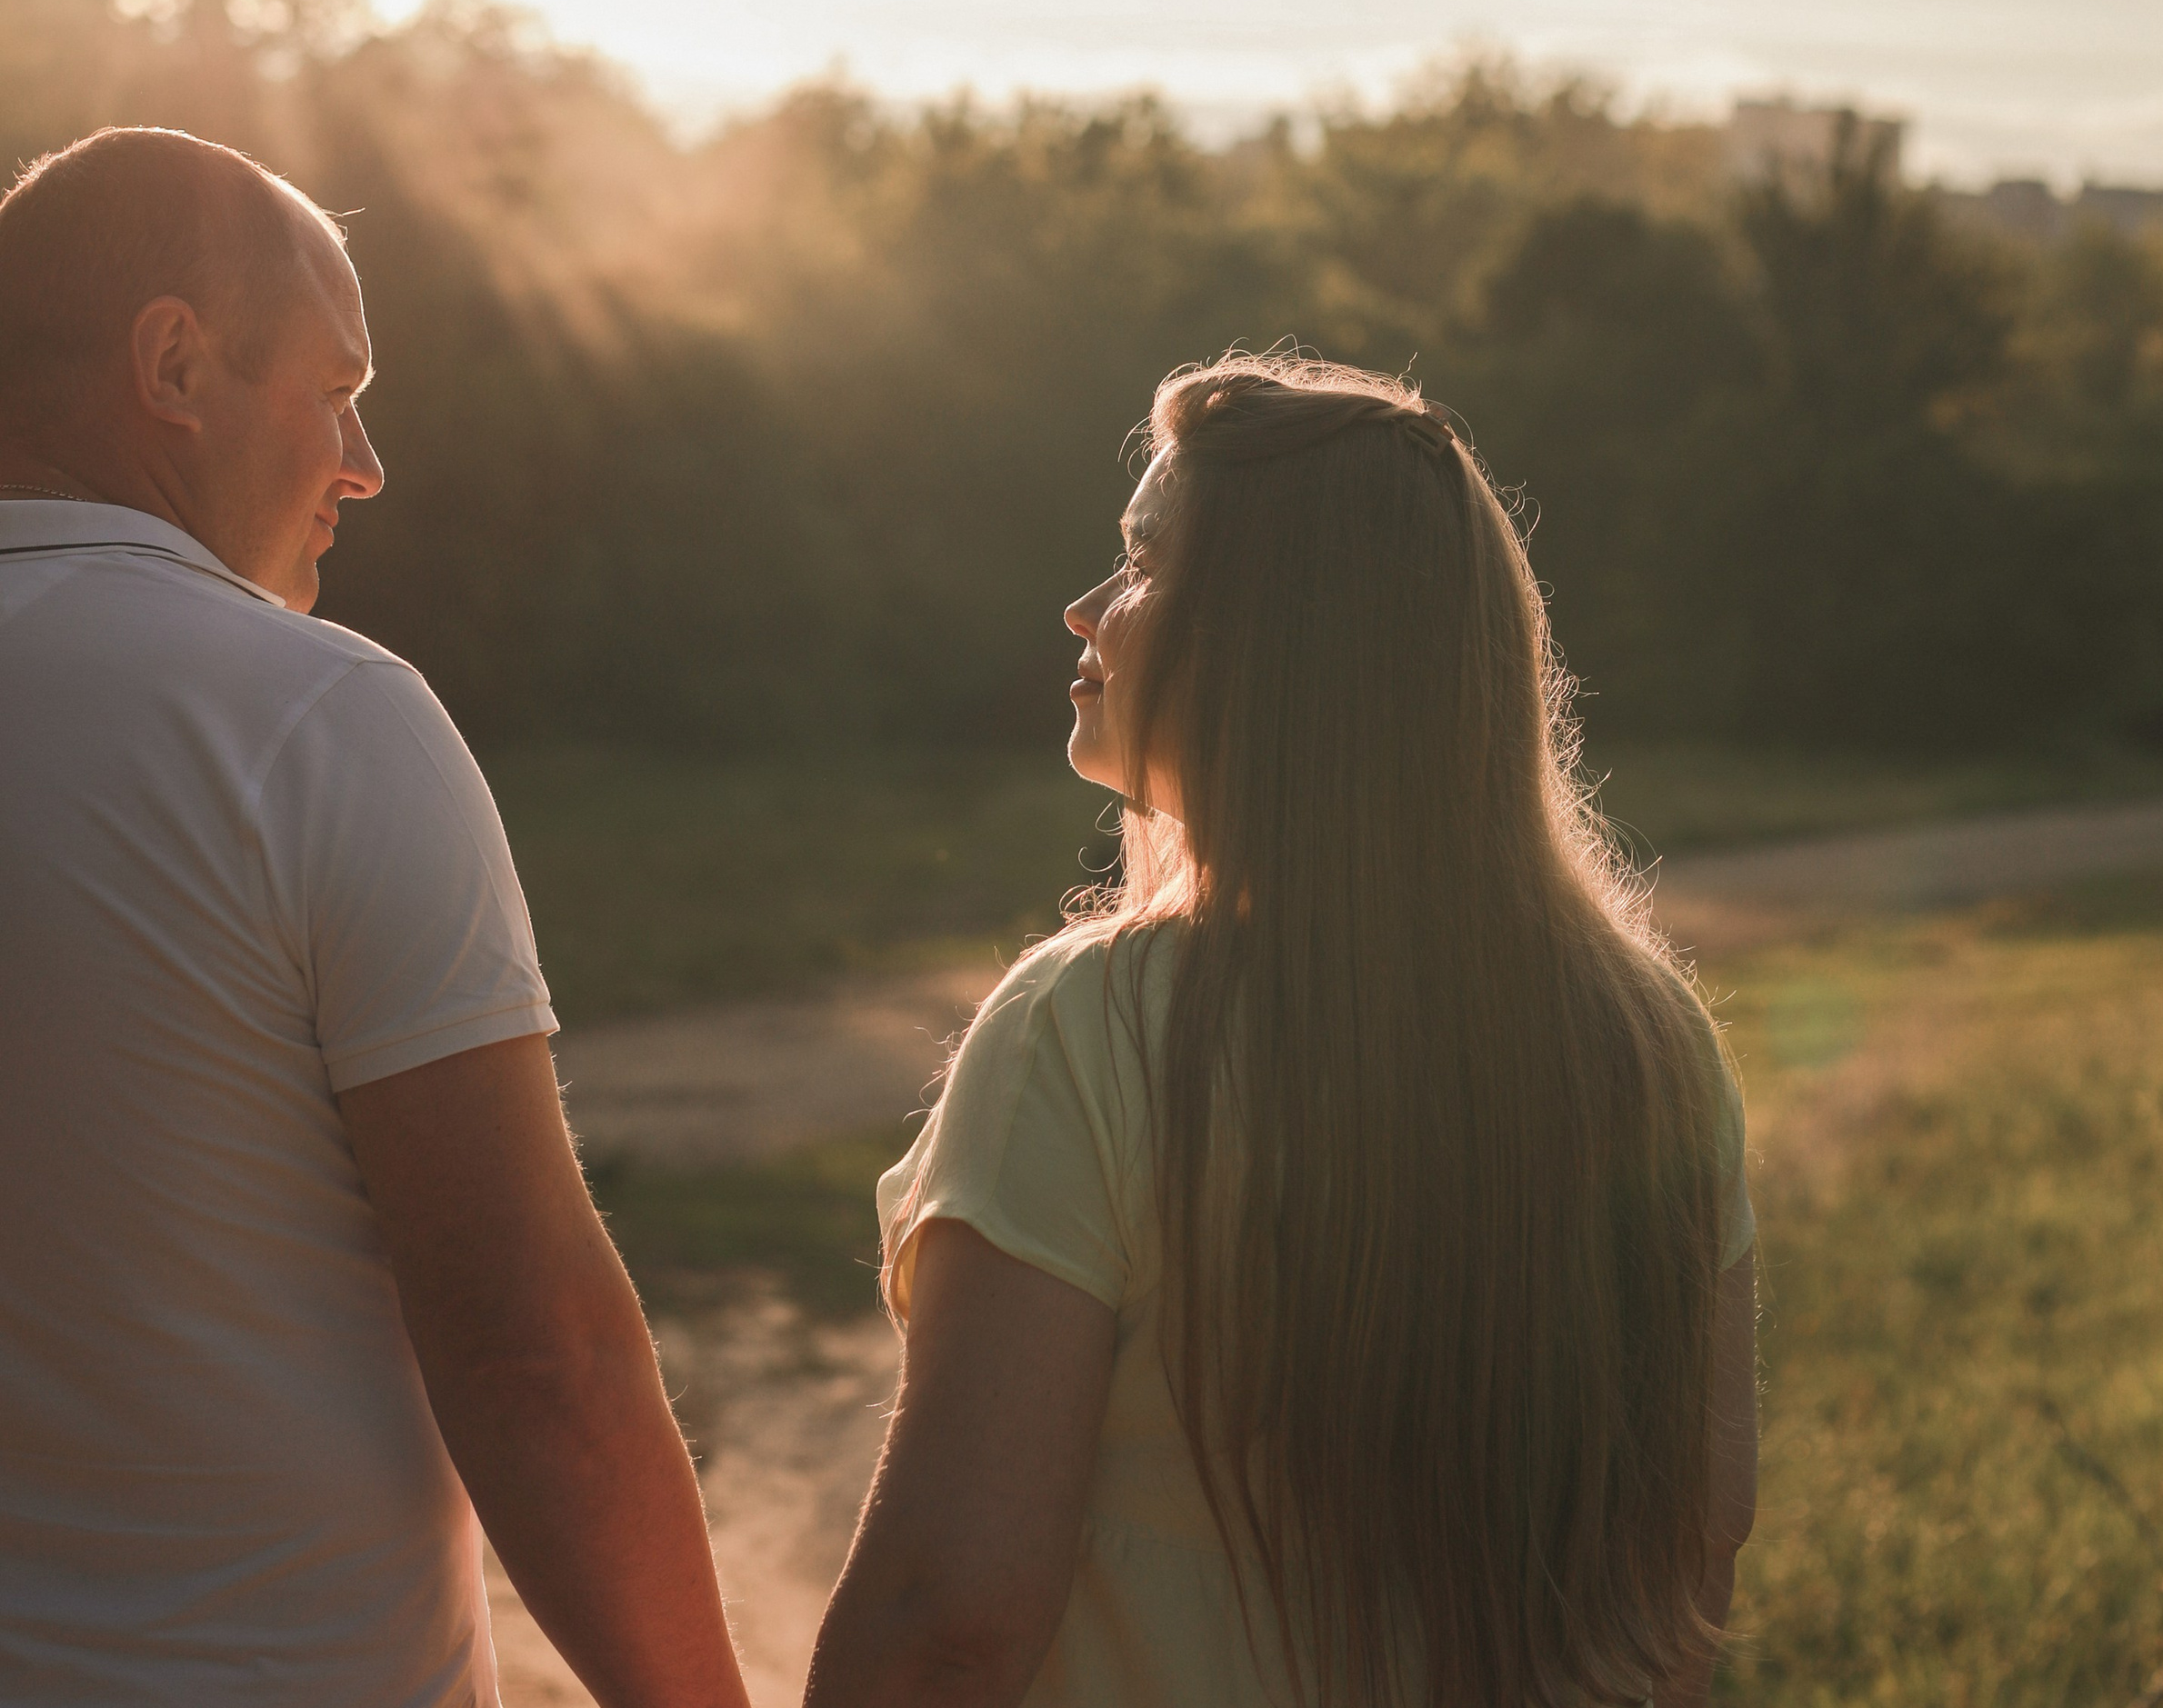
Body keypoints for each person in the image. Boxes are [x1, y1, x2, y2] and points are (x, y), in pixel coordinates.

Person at [807, 355, 1758, 1707]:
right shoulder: (1651, 1048)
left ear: (1275, 636)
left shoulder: (1091, 1037)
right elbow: (1697, 1548)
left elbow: (945, 1620)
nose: (1084, 610)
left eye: (1140, 565)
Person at [0, 128, 748, 1707]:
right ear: (176, 362)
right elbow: (531, 1352)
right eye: (335, 388)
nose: (365, 461)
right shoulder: (314, 719)